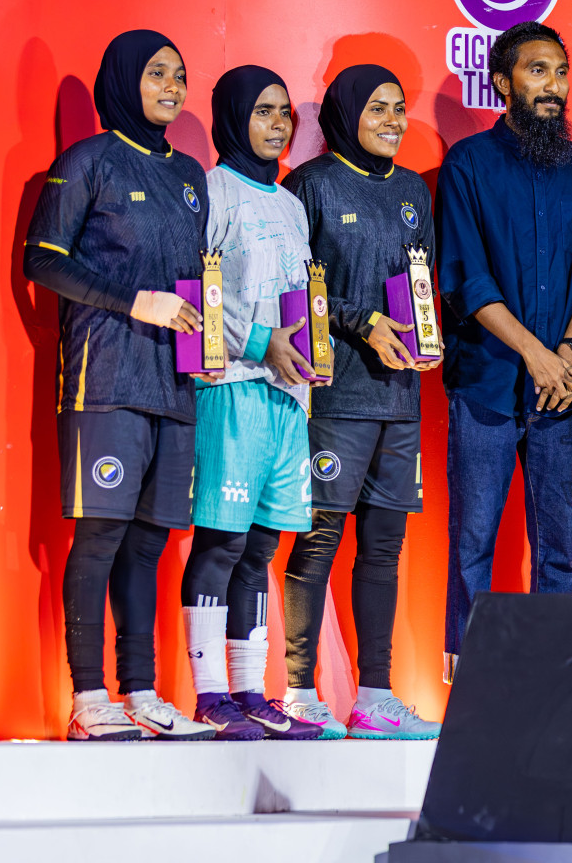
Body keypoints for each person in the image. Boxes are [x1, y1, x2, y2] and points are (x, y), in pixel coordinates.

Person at [23, 29, 215, 740]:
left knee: (152, 542)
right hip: (105, 378)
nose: (171, 86)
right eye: (157, 74)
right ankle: (89, 697)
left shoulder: (192, 175)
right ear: (124, 80)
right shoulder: (88, 161)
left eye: (180, 74)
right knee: (101, 536)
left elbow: (201, 280)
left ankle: (140, 691)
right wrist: (135, 302)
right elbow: (42, 261)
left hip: (177, 383)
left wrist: (209, 341)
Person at [437, 21, 572, 673]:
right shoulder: (468, 165)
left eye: (561, 72)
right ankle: (470, 673)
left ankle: (554, 670)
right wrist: (536, 356)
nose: (553, 86)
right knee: (475, 536)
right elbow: (467, 279)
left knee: (559, 540)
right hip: (487, 379)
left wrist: (565, 352)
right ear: (503, 82)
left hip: (561, 384)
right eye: (538, 71)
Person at [279, 64, 441, 739]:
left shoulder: (411, 191)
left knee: (385, 546)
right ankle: (295, 692)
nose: (393, 121)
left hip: (399, 398)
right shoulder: (309, 186)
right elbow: (295, 287)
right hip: (334, 395)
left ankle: (374, 694)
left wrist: (427, 329)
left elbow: (423, 278)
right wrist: (362, 320)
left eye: (400, 109)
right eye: (378, 108)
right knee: (318, 541)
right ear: (346, 113)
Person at [178, 66, 321, 740]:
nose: (277, 124)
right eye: (263, 111)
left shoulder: (291, 204)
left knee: (262, 545)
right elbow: (198, 289)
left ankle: (251, 691)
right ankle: (209, 694)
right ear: (233, 115)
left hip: (288, 396)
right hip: (232, 385)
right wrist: (260, 341)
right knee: (222, 541)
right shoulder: (214, 191)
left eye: (285, 113)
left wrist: (307, 356)